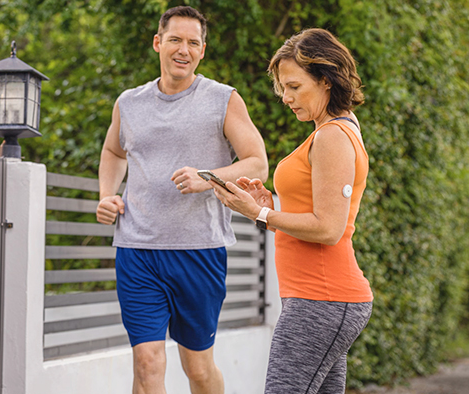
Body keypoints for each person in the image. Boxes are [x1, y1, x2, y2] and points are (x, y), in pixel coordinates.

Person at [96, 5, 268, 394]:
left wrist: (207, 178)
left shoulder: (223, 99)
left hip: (199, 252)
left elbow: (258, 164)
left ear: (202, 51)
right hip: (137, 249)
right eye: (175, 39)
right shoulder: (129, 103)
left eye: (193, 42)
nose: (183, 49)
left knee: (199, 369)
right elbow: (113, 152)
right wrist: (107, 195)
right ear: (158, 43)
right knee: (147, 363)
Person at [207, 28, 373, 393]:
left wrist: (259, 214)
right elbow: (315, 213)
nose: (286, 97)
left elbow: (329, 228)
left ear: (326, 80)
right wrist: (270, 207)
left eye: (295, 87)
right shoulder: (333, 131)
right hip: (321, 297)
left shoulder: (332, 136)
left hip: (322, 298)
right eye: (283, 88)